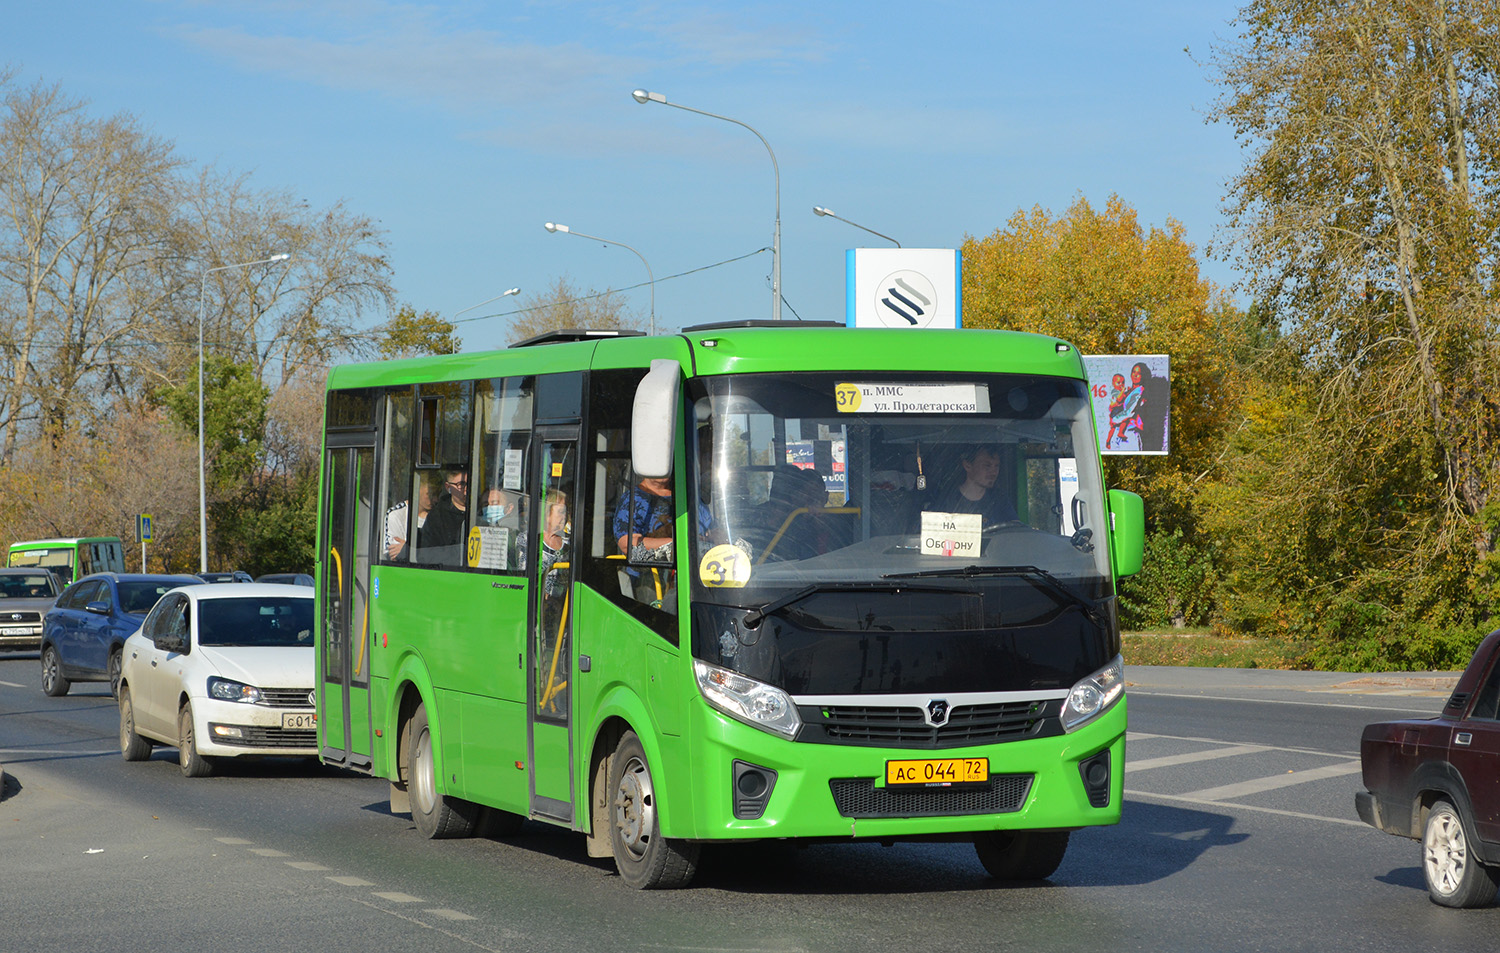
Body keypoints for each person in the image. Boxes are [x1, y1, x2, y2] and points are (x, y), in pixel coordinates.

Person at [932, 444, 1018, 527]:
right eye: (987, 466)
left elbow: (1015, 531)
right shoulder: (946, 500)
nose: (994, 472)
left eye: (996, 466)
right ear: (967, 466)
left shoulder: (1000, 500)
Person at [613, 474, 675, 562]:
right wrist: (673, 545)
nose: (662, 467)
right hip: (647, 573)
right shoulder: (633, 499)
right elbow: (627, 543)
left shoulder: (686, 496)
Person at [417, 466, 470, 554]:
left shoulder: (480, 510)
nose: (466, 489)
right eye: (461, 485)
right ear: (448, 487)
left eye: (469, 483)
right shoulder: (437, 517)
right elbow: (428, 555)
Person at [384, 473, 436, 560]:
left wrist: (407, 548)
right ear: (416, 490)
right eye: (430, 494)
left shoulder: (439, 516)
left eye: (438, 494)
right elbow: (393, 556)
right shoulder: (396, 515)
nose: (435, 499)